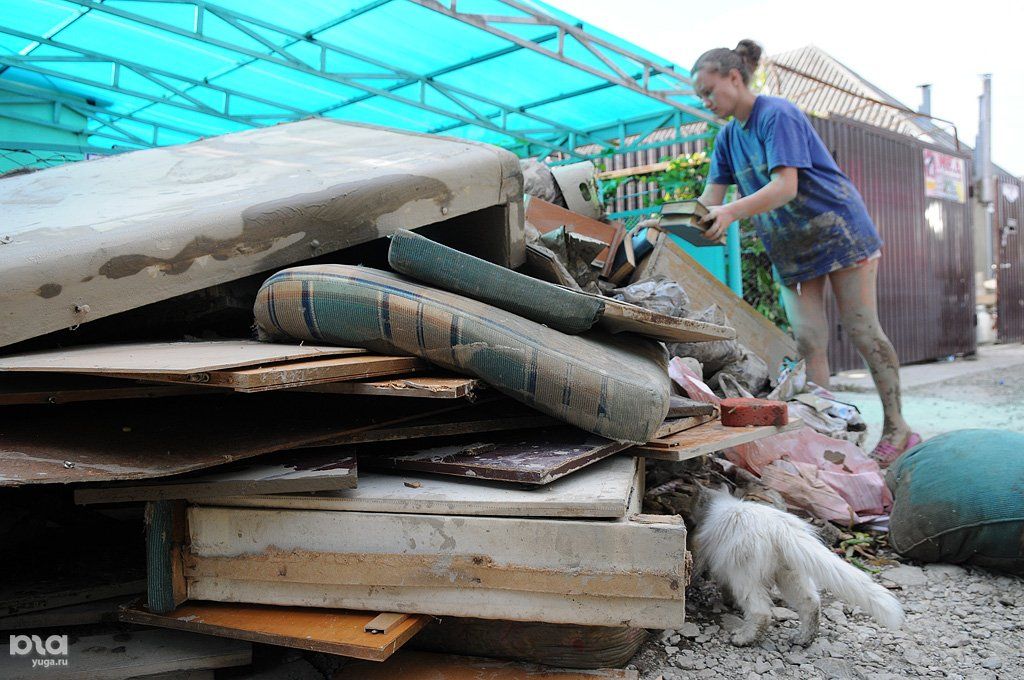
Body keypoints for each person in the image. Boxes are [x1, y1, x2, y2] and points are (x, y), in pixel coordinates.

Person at [692, 39, 919, 465]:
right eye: (699, 96)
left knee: (863, 331)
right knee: (809, 340)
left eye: (708, 91)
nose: (705, 101)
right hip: (791, 246)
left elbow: (786, 186)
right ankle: (829, 433)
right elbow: (710, 199)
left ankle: (899, 428)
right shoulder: (726, 138)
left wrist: (729, 213)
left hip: (838, 231)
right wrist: (675, 222)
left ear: (734, 78)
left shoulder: (777, 115)